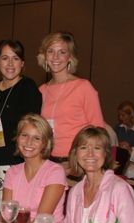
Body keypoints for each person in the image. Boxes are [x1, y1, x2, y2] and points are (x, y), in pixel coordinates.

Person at [0, 39, 42, 221]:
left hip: (19, 167)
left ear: (22, 63)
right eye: (5, 58)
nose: (10, 64)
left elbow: (33, 134)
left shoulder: (28, 89)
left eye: (15, 58)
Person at [36, 31, 104, 176]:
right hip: (48, 163)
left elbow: (99, 131)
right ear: (44, 56)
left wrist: (76, 165)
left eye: (62, 52)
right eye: (51, 51)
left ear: (70, 57)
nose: (55, 57)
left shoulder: (83, 87)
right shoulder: (40, 91)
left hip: (78, 165)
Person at [2, 114, 66, 223]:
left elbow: (40, 221)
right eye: (24, 135)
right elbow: (5, 218)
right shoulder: (12, 172)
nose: (29, 142)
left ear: (45, 143)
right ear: (17, 138)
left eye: (37, 138)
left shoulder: (55, 172)